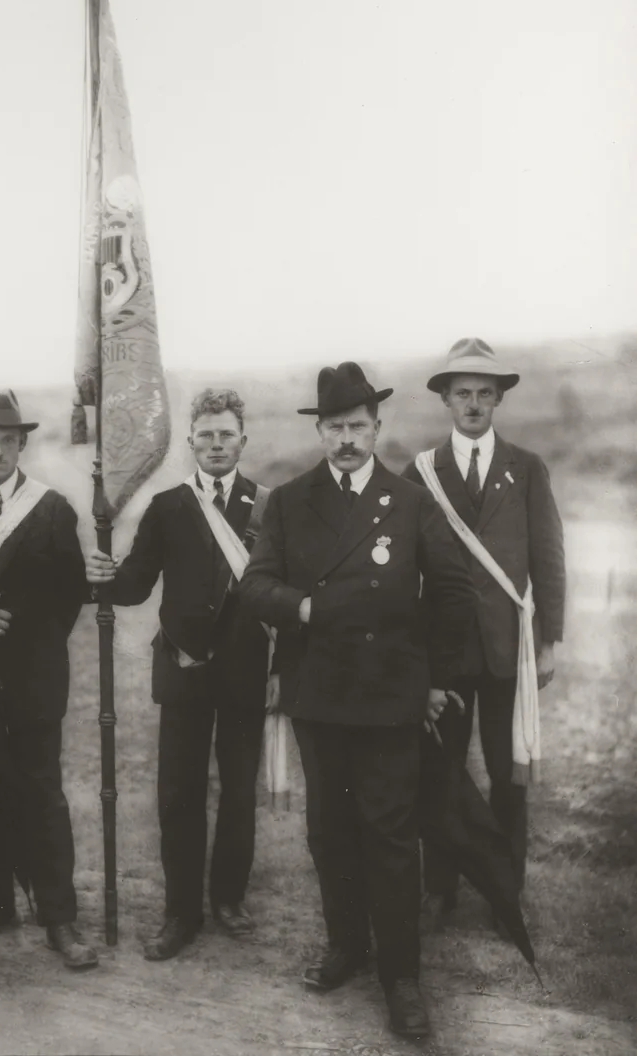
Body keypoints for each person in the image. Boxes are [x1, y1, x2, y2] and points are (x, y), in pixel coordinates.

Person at [238, 362, 476, 1042]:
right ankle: (345, 945)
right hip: (319, 696)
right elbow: (255, 586)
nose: (346, 439)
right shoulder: (289, 502)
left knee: (390, 835)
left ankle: (401, 978)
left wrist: (437, 682)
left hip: (390, 699)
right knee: (329, 830)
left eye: (357, 427)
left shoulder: (409, 502)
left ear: (376, 428)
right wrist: (304, 607)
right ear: (319, 431)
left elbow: (453, 593)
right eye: (335, 427)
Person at [86, 388, 272, 961]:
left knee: (238, 792)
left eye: (226, 435)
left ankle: (229, 900)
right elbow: (135, 585)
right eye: (206, 435)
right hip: (183, 668)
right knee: (178, 796)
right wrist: (101, 575)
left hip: (244, 673)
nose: (216, 445)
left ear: (243, 440)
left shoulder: (268, 508)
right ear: (190, 441)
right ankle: (181, 913)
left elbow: (281, 594)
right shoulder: (168, 506)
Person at [404, 337, 565, 913]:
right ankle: (440, 888)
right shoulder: (423, 471)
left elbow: (548, 556)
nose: (473, 404)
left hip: (506, 649)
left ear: (499, 399)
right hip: (444, 653)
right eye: (462, 393)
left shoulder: (527, 468)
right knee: (442, 771)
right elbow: (406, 567)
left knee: (508, 773)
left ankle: (505, 892)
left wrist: (549, 641)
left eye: (484, 394)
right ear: (445, 399)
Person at [0, 387, 97, 971]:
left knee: (42, 796)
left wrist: (23, 628)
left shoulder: (52, 509)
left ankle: (58, 917)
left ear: (21, 445)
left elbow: (70, 596)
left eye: (6, 441)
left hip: (34, 677)